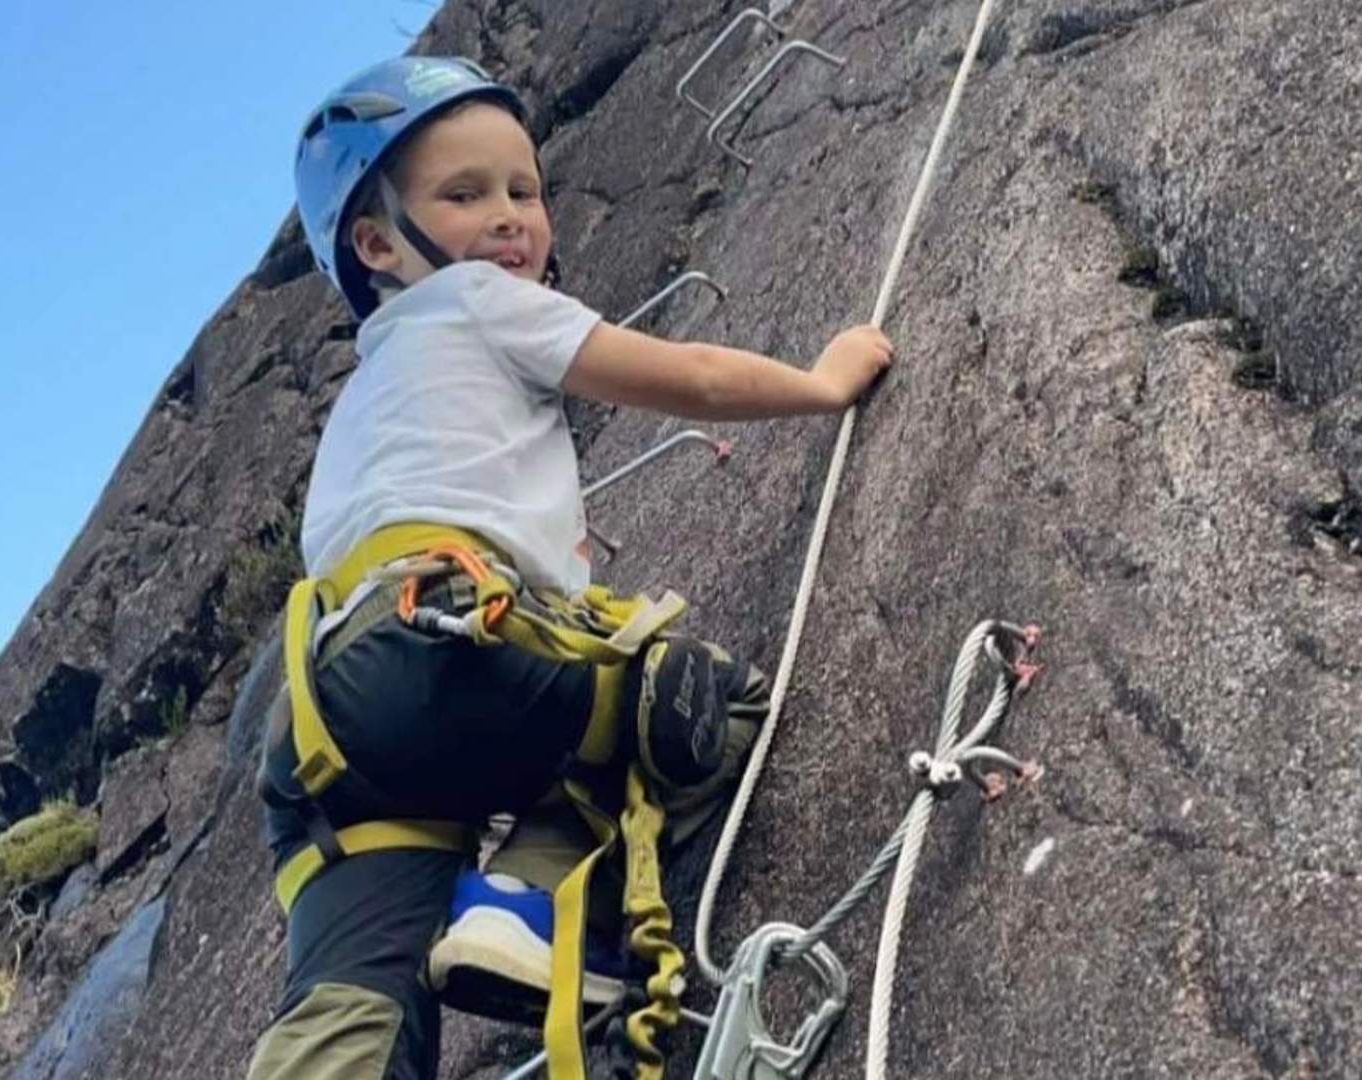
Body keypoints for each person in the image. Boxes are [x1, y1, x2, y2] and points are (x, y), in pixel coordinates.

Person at [246, 55, 893, 1080]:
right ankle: (525, 908)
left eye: (524, 190)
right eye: (464, 195)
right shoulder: (478, 302)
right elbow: (692, 377)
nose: (509, 218)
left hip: (313, 727)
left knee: (351, 999)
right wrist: (823, 383)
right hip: (441, 648)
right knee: (685, 712)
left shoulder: (364, 404)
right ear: (378, 245)